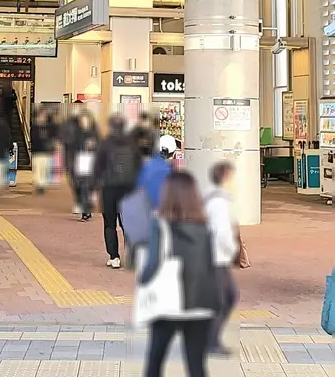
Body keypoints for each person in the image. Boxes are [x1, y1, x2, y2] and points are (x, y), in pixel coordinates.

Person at [139, 171, 219, 377]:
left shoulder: (160, 223)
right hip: (201, 304)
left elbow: (153, 264)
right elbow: (211, 266)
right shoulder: (206, 227)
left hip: (168, 303)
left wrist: (143, 280)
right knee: (196, 366)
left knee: (155, 362)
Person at [94, 114, 141, 267]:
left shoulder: (105, 143)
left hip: (109, 189)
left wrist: (96, 185)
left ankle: (114, 257)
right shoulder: (132, 144)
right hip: (128, 189)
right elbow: (139, 166)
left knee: (109, 224)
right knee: (128, 223)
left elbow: (98, 166)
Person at [204, 161, 240, 356]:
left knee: (225, 297)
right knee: (224, 298)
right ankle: (210, 341)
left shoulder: (211, 197)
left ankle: (210, 339)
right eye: (233, 178)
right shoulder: (219, 202)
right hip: (216, 257)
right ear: (225, 177)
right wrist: (232, 249)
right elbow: (221, 232)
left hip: (214, 257)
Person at [137, 135, 177, 209]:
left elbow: (139, 187)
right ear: (172, 153)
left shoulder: (146, 166)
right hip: (162, 210)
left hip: (145, 209)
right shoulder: (170, 172)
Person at [30, 107, 56, 193]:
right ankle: (39, 184)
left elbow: (52, 138)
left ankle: (43, 184)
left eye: (44, 115)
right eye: (41, 115)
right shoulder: (34, 127)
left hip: (46, 151)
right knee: (37, 168)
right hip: (37, 151)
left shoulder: (49, 127)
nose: (43, 117)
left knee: (45, 168)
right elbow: (33, 138)